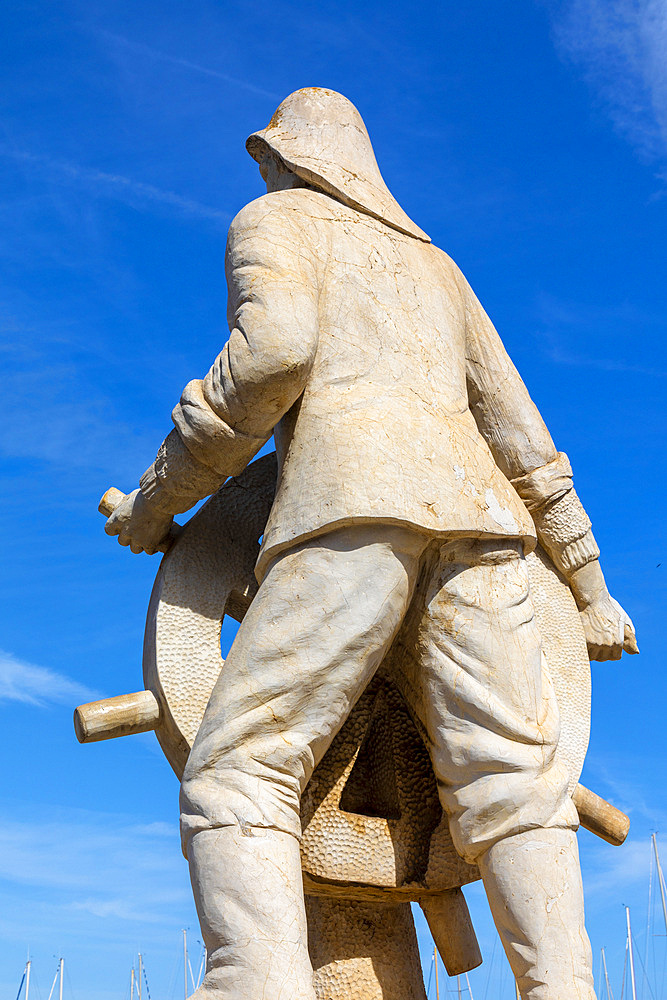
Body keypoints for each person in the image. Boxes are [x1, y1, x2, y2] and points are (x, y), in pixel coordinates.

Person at [105, 88, 638, 1000]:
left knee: (240, 768)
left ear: (290, 160)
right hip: (487, 534)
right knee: (516, 787)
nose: (264, 173)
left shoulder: (274, 220)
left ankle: (253, 981)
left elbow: (271, 356)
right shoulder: (438, 268)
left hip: (347, 512)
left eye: (269, 159)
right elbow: (523, 439)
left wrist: (157, 503)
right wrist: (587, 587)